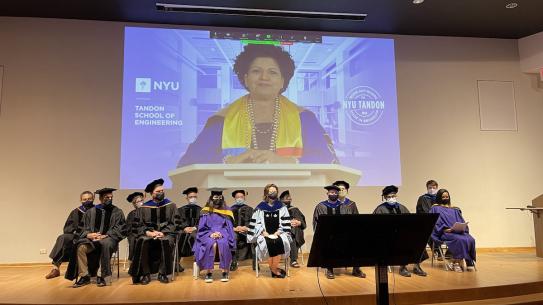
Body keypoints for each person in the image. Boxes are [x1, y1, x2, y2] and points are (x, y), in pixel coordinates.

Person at [177, 43, 338, 166]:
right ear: (245, 78)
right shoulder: (221, 121)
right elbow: (188, 165)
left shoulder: (305, 119)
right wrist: (229, 162)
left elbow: (329, 161)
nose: (264, 77)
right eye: (256, 71)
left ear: (283, 81)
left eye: (272, 72)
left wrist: (286, 162)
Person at [65, 188, 126, 287]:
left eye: (111, 197)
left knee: (105, 244)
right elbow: (82, 227)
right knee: (80, 247)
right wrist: (89, 235)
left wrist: (107, 235)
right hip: (92, 240)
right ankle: (84, 276)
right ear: (101, 198)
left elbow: (121, 228)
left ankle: (103, 276)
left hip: (108, 239)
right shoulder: (91, 212)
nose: (110, 199)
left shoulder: (117, 211)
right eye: (107, 197)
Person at [129, 179, 179, 284]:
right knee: (142, 241)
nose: (161, 193)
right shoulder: (143, 207)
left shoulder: (171, 205)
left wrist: (163, 232)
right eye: (158, 191)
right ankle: (146, 274)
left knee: (167, 241)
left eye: (162, 191)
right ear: (152, 193)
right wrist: (149, 233)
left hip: (166, 234)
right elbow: (138, 226)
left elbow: (175, 223)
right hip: (148, 234)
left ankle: (162, 273)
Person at [373, 185, 428, 277]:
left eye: (393, 196)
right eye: (389, 197)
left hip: (403, 234)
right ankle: (403, 267)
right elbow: (375, 226)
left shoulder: (402, 207)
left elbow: (411, 222)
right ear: (385, 197)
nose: (392, 198)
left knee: (418, 241)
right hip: (388, 236)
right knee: (402, 243)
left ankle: (416, 265)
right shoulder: (380, 209)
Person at [313, 185, 365, 279]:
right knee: (328, 244)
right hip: (328, 236)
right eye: (331, 192)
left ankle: (356, 269)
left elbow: (349, 222)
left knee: (357, 243)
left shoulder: (344, 206)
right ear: (327, 193)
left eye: (336, 193)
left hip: (343, 235)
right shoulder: (320, 206)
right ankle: (330, 269)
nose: (334, 194)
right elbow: (316, 223)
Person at [45, 191, 95, 279]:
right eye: (85, 199)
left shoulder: (97, 211)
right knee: (62, 238)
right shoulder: (76, 212)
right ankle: (55, 268)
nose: (87, 201)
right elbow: (67, 228)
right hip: (77, 235)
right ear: (80, 200)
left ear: (93, 199)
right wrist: (77, 233)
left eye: (89, 199)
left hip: (91, 237)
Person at [248, 184, 292, 278]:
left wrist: (279, 232)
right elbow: (256, 223)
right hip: (264, 233)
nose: (273, 193)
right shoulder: (260, 207)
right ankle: (274, 270)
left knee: (279, 241)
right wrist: (263, 232)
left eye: (275, 191)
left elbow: (285, 221)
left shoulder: (282, 207)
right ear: (266, 193)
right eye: (271, 191)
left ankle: (273, 269)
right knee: (268, 242)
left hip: (279, 233)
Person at [193, 188, 236, 283]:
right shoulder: (205, 211)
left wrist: (221, 233)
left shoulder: (227, 211)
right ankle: (209, 272)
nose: (218, 199)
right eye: (216, 197)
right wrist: (211, 234)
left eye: (220, 197)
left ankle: (225, 271)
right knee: (211, 244)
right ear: (211, 198)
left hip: (223, 234)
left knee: (223, 243)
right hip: (208, 234)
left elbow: (228, 227)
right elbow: (201, 228)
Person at [430, 189, 476, 272]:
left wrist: (462, 227)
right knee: (459, 240)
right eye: (443, 197)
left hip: (457, 232)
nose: (445, 198)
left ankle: (463, 261)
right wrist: (445, 229)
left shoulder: (455, 209)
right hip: (444, 232)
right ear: (439, 197)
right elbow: (435, 223)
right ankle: (457, 263)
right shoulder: (435, 208)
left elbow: (461, 221)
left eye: (447, 196)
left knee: (471, 239)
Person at [279, 190, 306, 268]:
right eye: (286, 198)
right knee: (290, 232)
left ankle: (293, 260)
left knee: (293, 232)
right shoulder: (277, 210)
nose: (289, 199)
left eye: (290, 198)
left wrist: (299, 222)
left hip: (293, 232)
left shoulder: (294, 209)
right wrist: (287, 223)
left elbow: (302, 222)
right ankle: (292, 260)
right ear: (281, 200)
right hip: (280, 231)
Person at [177, 187, 202, 271]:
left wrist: (195, 227)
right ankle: (177, 262)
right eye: (190, 197)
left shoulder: (201, 210)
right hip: (184, 231)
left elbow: (204, 223)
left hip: (196, 230)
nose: (193, 198)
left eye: (194, 196)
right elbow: (178, 222)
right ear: (187, 198)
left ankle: (198, 262)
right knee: (180, 235)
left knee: (195, 236)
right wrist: (184, 228)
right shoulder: (180, 210)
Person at [229, 189, 254, 271]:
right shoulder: (230, 210)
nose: (239, 198)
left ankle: (255, 261)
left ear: (244, 198)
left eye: (241, 197)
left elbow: (254, 223)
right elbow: (227, 223)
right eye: (237, 197)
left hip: (247, 231)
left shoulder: (250, 209)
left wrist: (246, 228)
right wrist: (235, 228)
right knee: (233, 237)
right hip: (234, 231)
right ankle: (234, 261)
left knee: (254, 238)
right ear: (235, 198)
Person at [125, 192, 144, 264]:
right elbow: (128, 228)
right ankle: (132, 262)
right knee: (133, 239)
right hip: (133, 234)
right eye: (138, 201)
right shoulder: (131, 214)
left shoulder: (147, 211)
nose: (140, 203)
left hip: (145, 233)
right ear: (134, 204)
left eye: (141, 200)